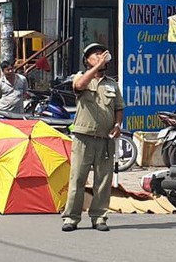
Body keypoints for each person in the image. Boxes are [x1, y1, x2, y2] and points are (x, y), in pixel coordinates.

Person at [61, 43, 124, 233]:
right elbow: (79, 86)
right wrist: (96, 67)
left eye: (101, 54)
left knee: (103, 181)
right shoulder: (81, 77)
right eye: (95, 55)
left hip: (105, 139)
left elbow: (119, 107)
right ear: (87, 60)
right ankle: (71, 217)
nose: (100, 56)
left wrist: (117, 125)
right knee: (78, 179)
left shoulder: (112, 84)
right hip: (83, 137)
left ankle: (99, 217)